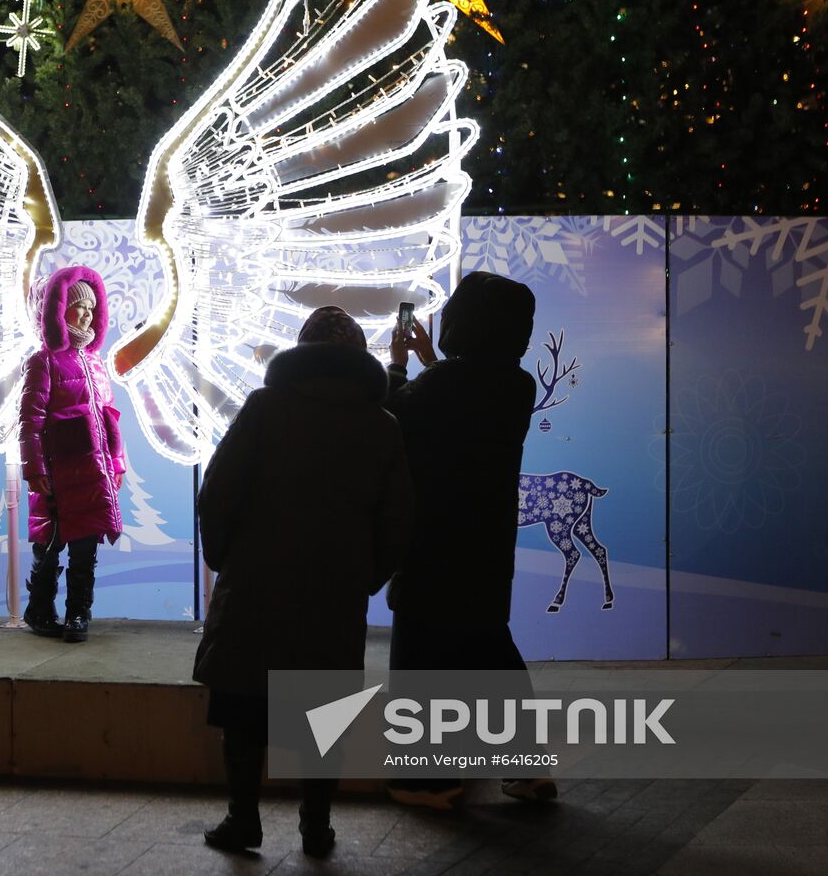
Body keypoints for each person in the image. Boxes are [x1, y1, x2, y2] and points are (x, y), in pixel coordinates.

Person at [193, 306, 414, 857]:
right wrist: (365, 577)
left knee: (244, 707)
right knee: (325, 713)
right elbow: (399, 519)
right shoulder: (380, 424)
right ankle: (316, 829)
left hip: (255, 589)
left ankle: (243, 820)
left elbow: (217, 491)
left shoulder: (265, 408)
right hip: (333, 596)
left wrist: (227, 557)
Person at [385, 271, 557, 806]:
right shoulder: (517, 386)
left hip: (433, 545)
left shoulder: (441, 386)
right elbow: (460, 396)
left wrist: (397, 362)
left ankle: (430, 779)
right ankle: (527, 768)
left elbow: (394, 415)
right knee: (490, 649)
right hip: (487, 548)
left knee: (419, 656)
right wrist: (431, 359)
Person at [18, 266, 125, 643]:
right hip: (57, 472)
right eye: (77, 307)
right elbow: (29, 419)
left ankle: (79, 613)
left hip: (93, 471)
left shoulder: (95, 364)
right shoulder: (43, 362)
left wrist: (116, 462)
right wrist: (34, 467)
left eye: (91, 310)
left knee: (86, 548)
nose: (85, 315)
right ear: (56, 309)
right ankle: (40, 610)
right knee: (49, 544)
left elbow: (109, 417)